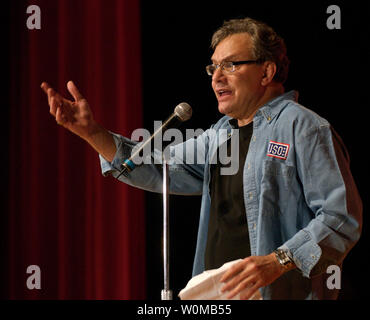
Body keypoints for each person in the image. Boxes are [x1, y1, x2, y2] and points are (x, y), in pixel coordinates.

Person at [41, 17, 362, 300]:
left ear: (267, 71)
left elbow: (340, 219)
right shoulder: (219, 134)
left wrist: (277, 261)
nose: (217, 77)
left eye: (231, 65)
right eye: (214, 67)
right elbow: (158, 168)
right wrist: (92, 133)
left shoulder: (303, 127)